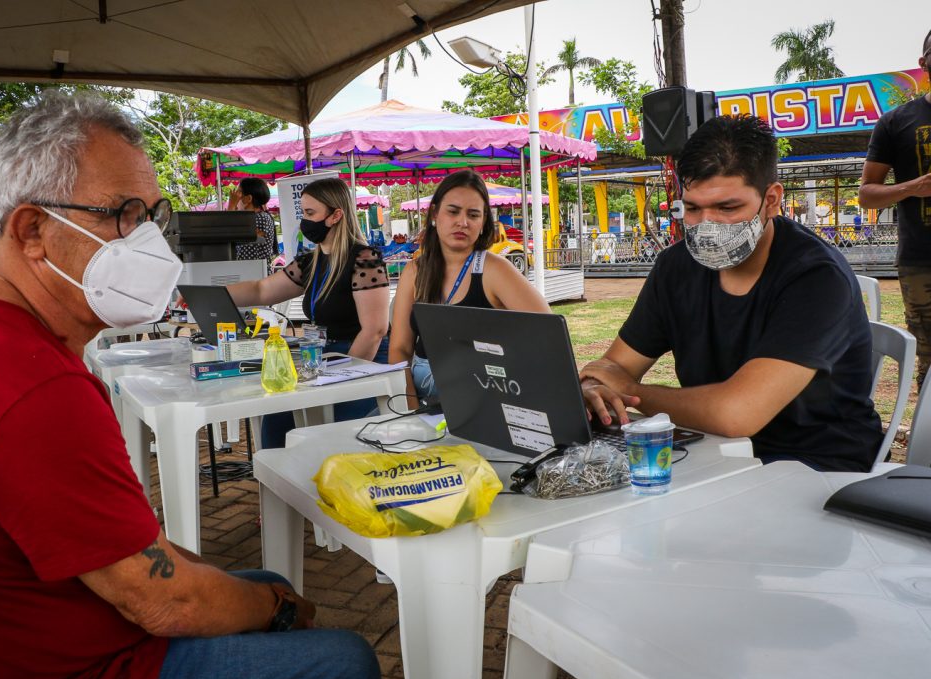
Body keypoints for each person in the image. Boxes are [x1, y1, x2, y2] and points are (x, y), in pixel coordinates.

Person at [0, 92, 379, 679]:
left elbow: (132, 548)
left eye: (152, 216)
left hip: (21, 625)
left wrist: (253, 595)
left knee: (264, 585)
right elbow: (163, 600)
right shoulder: (33, 388)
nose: (150, 241)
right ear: (32, 230)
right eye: (126, 214)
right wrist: (273, 610)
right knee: (341, 656)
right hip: (75, 662)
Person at [580, 115, 882, 473]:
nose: (707, 226)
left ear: (771, 200)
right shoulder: (676, 267)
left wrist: (632, 392)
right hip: (712, 455)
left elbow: (736, 414)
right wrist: (591, 389)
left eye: (727, 208)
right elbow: (611, 367)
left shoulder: (816, 277)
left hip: (816, 470)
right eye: (692, 208)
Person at [224, 177, 390, 447]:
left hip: (363, 361)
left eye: (311, 214)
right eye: (303, 213)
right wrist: (213, 293)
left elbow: (374, 331)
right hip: (326, 357)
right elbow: (260, 291)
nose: (305, 221)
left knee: (334, 437)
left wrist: (340, 382)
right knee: (278, 415)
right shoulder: (310, 261)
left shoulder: (365, 259)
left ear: (336, 215)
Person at [389, 170, 550, 407]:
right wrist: (410, 408)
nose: (462, 222)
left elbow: (548, 332)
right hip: (424, 403)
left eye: (473, 215)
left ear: (483, 222)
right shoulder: (414, 271)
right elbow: (400, 348)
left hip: (483, 404)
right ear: (435, 213)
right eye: (453, 211)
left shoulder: (495, 270)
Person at [859, 28, 931, 387]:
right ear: (923, 64)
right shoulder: (896, 122)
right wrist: (914, 187)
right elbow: (867, 195)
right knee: (929, 359)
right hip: (922, 260)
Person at [229, 177, 278, 271]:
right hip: (252, 273)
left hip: (256, 275)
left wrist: (232, 205)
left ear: (248, 198)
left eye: (238, 194)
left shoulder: (260, 218)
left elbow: (227, 232)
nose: (235, 198)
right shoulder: (256, 218)